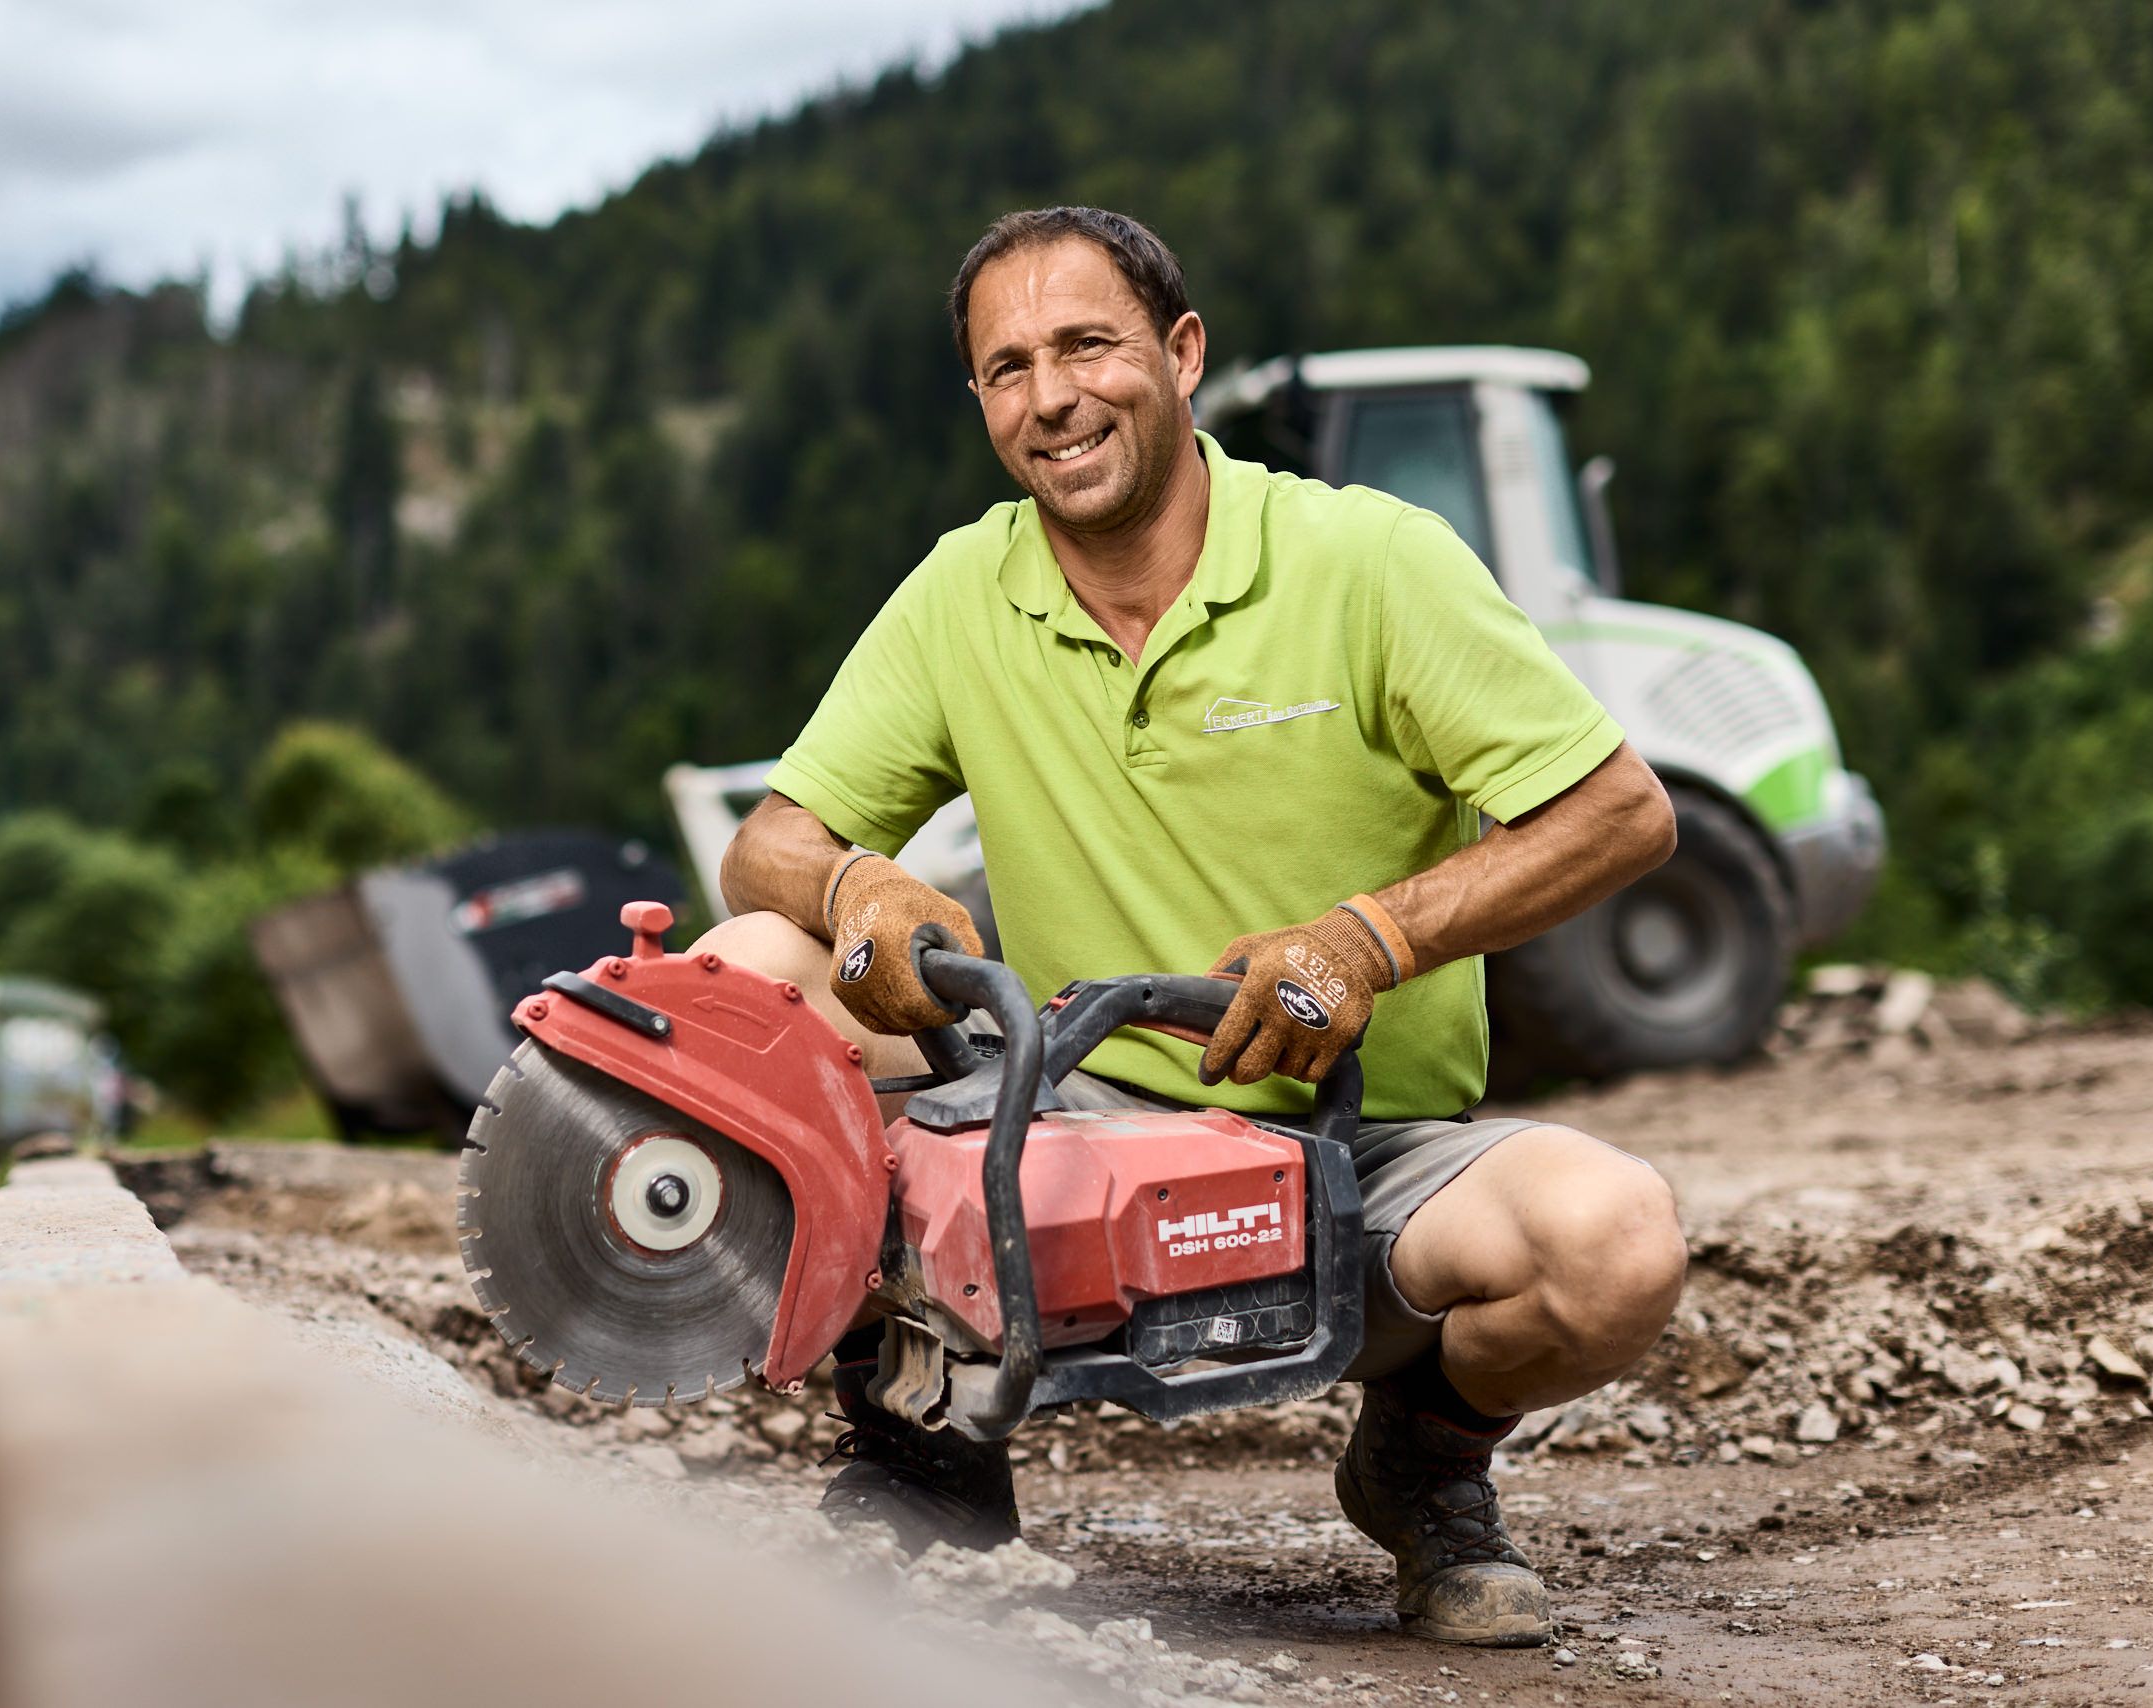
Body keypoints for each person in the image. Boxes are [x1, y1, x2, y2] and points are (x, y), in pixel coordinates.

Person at [697, 206, 1686, 1649]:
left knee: (1615, 1244)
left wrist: (1369, 940)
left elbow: (1622, 813)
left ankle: (1425, 1464)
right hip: (1060, 1125)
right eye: (1008, 367)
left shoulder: (1368, 563)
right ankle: (930, 1446)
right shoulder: (963, 593)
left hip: (1354, 1152)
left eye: (1087, 345)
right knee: (749, 978)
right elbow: (765, 848)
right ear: (978, 400)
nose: (1052, 398)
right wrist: (858, 890)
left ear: (1180, 352)